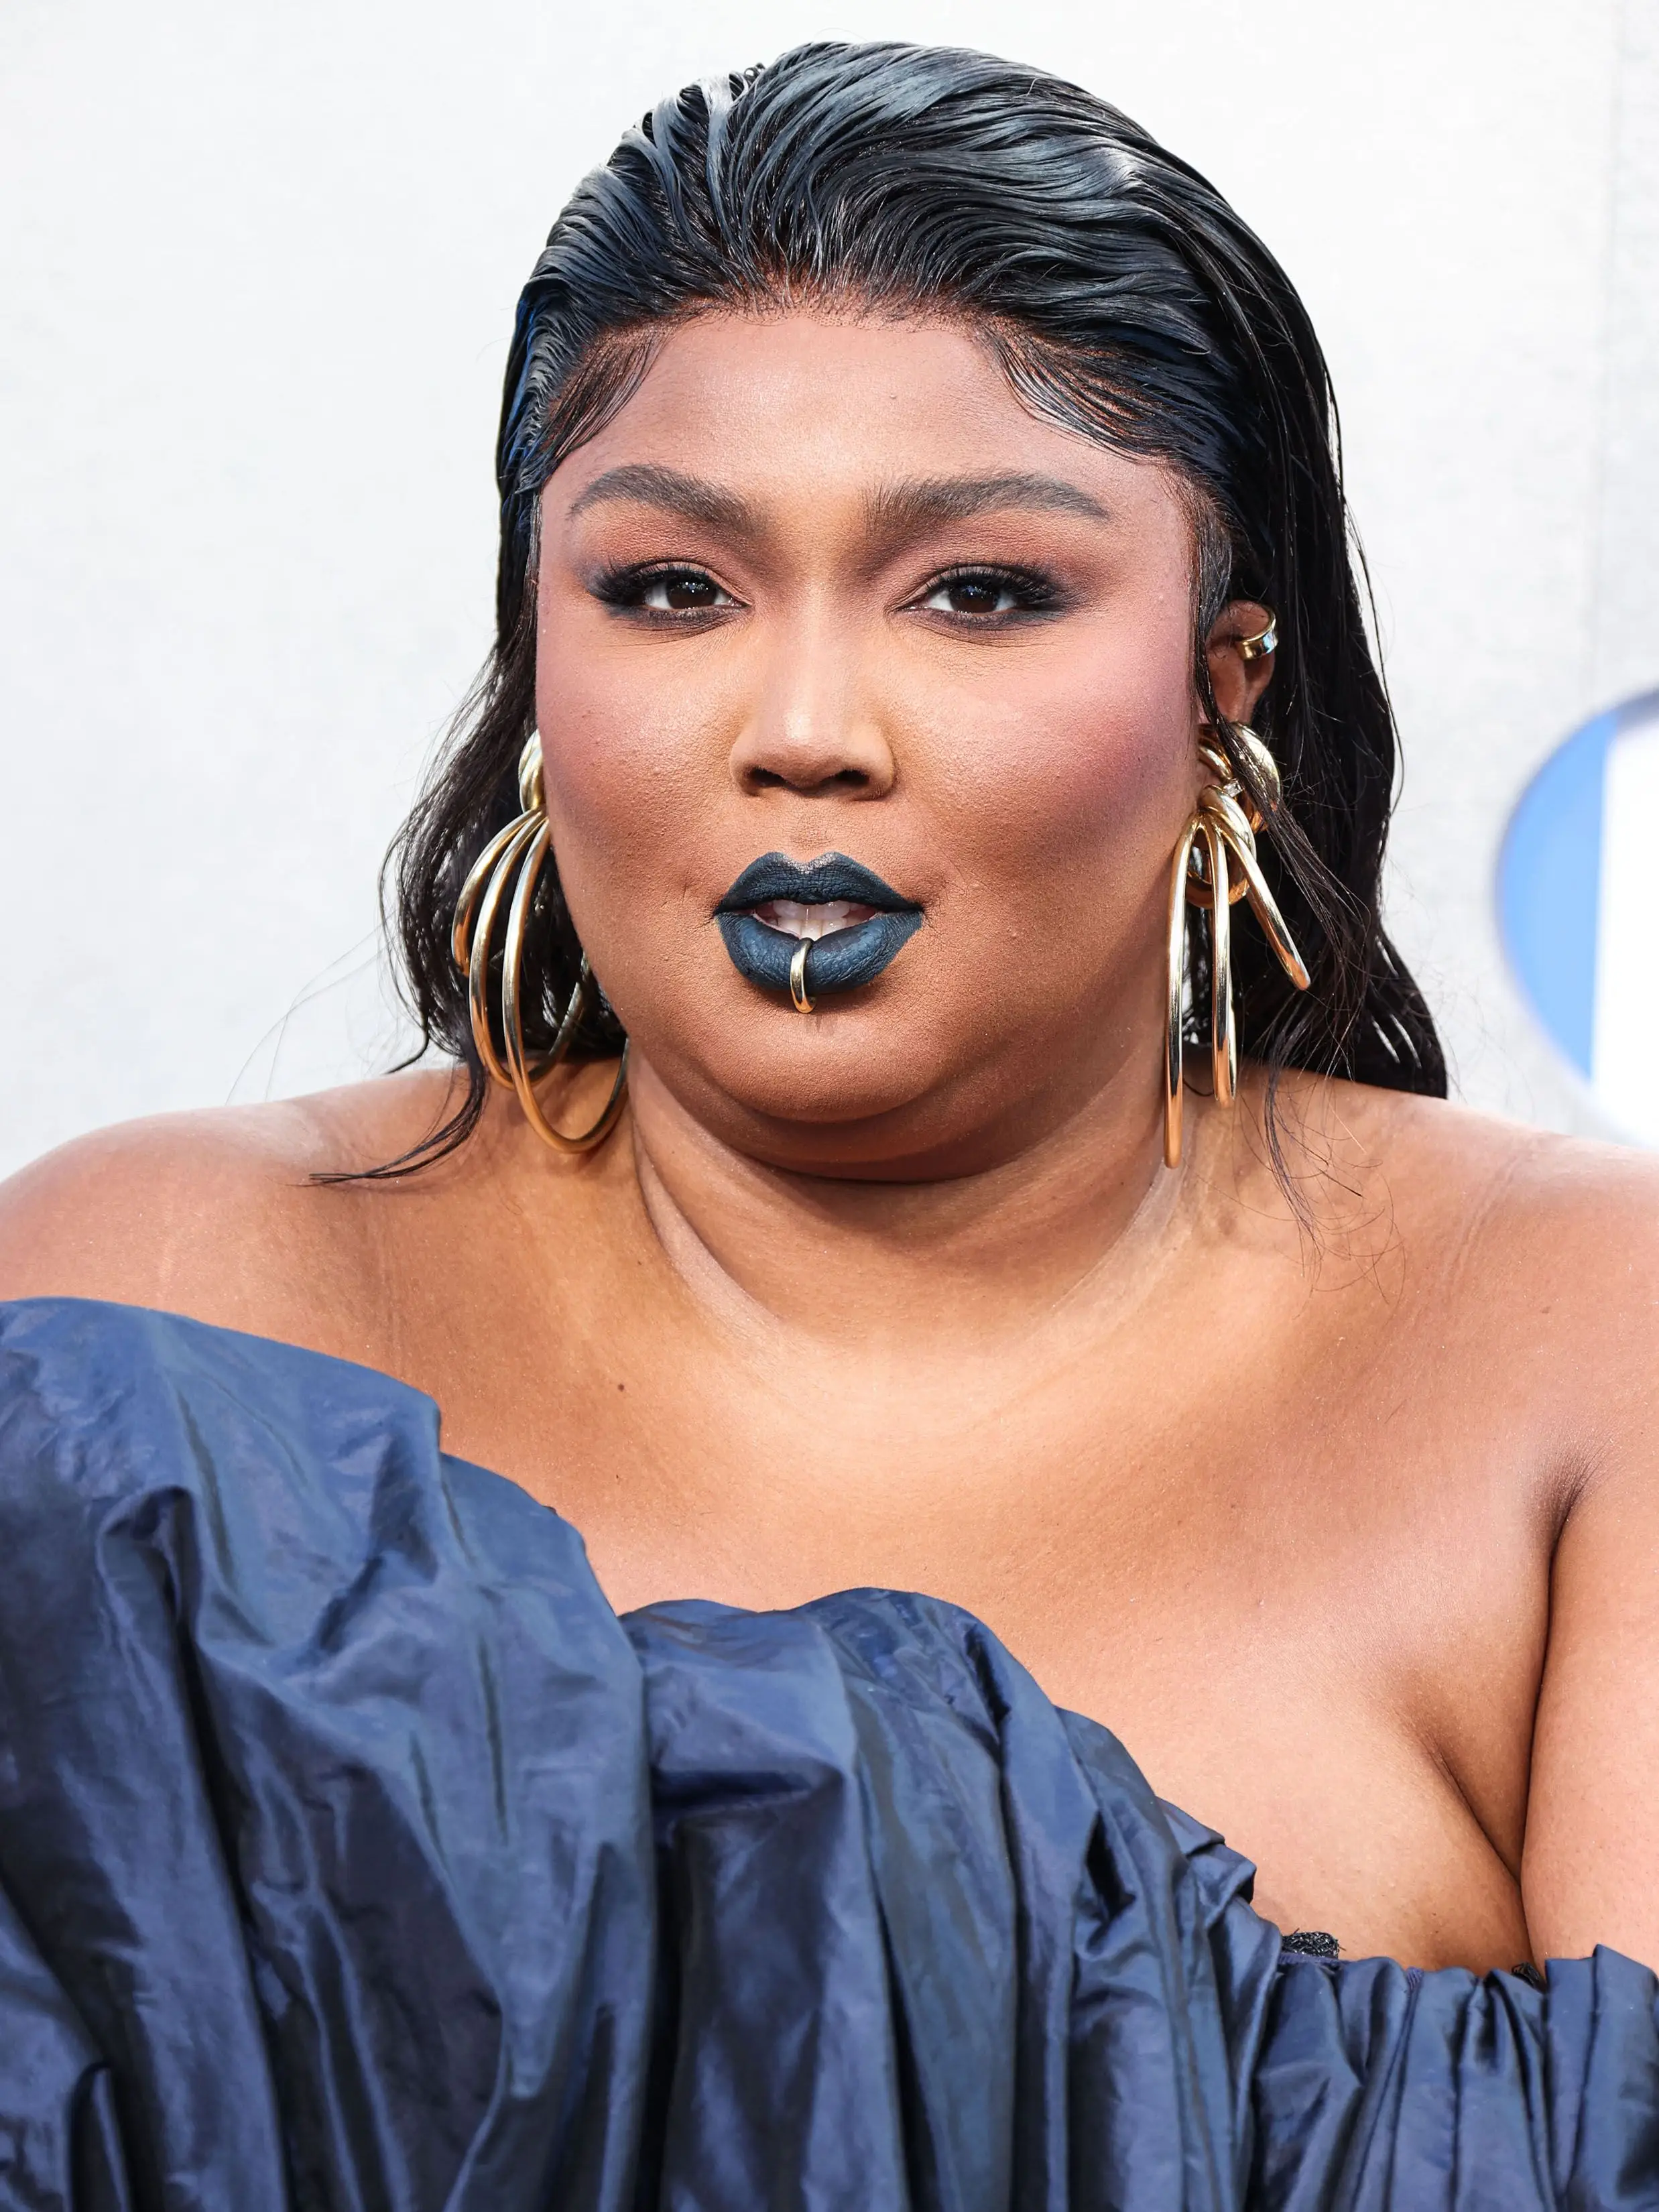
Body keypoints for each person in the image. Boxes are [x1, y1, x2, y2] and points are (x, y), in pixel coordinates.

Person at [2, 39, 1658, 2207]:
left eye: (979, 590)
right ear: (537, 646)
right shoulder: (154, 1309)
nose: (803, 731)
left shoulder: (1585, 1347)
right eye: (672, 588)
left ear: (1221, 675)